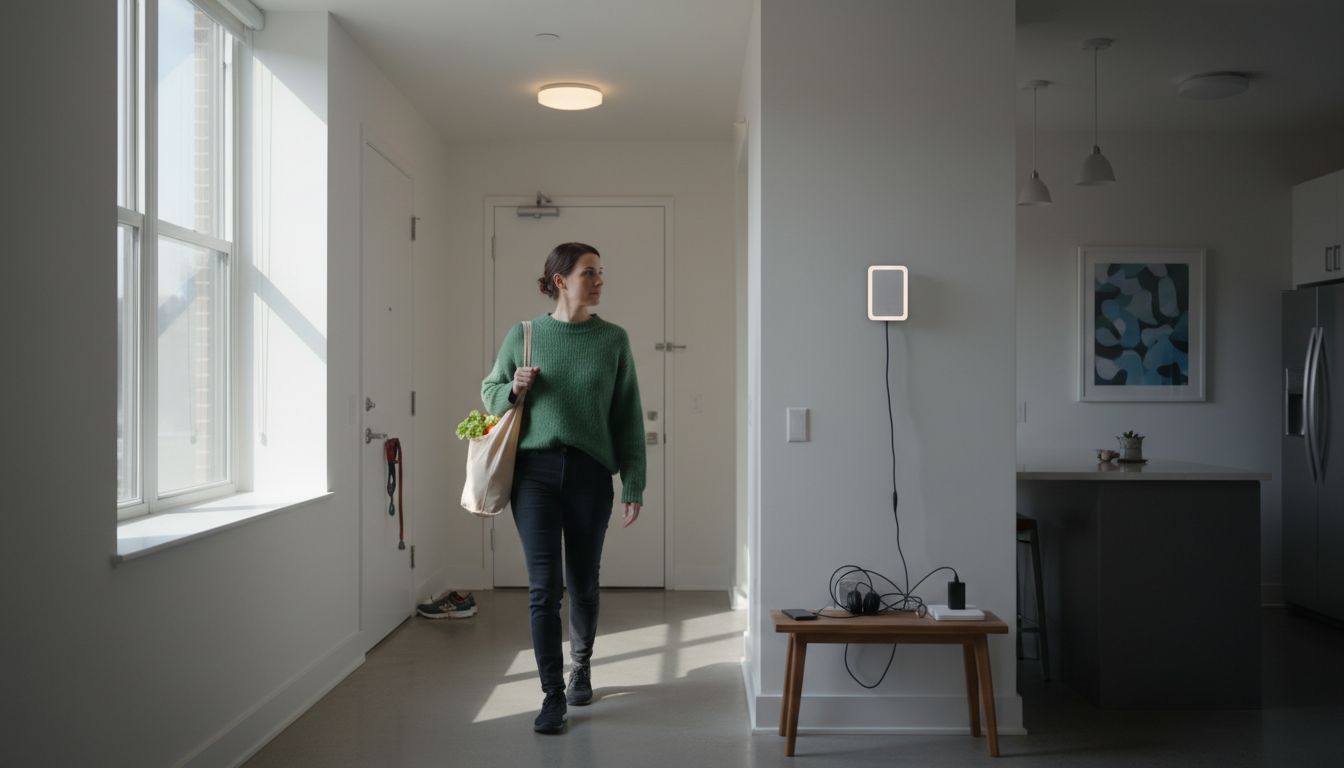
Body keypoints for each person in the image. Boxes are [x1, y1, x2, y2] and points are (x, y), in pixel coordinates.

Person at [481, 242, 646, 734]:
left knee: (584, 582)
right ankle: (552, 693)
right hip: (534, 474)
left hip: (591, 474)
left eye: (601, 272)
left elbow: (627, 416)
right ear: (560, 280)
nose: (599, 281)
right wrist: (515, 387)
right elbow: (490, 394)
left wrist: (634, 480)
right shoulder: (525, 335)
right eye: (589, 273)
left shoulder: (613, 339)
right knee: (543, 588)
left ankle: (583, 665)